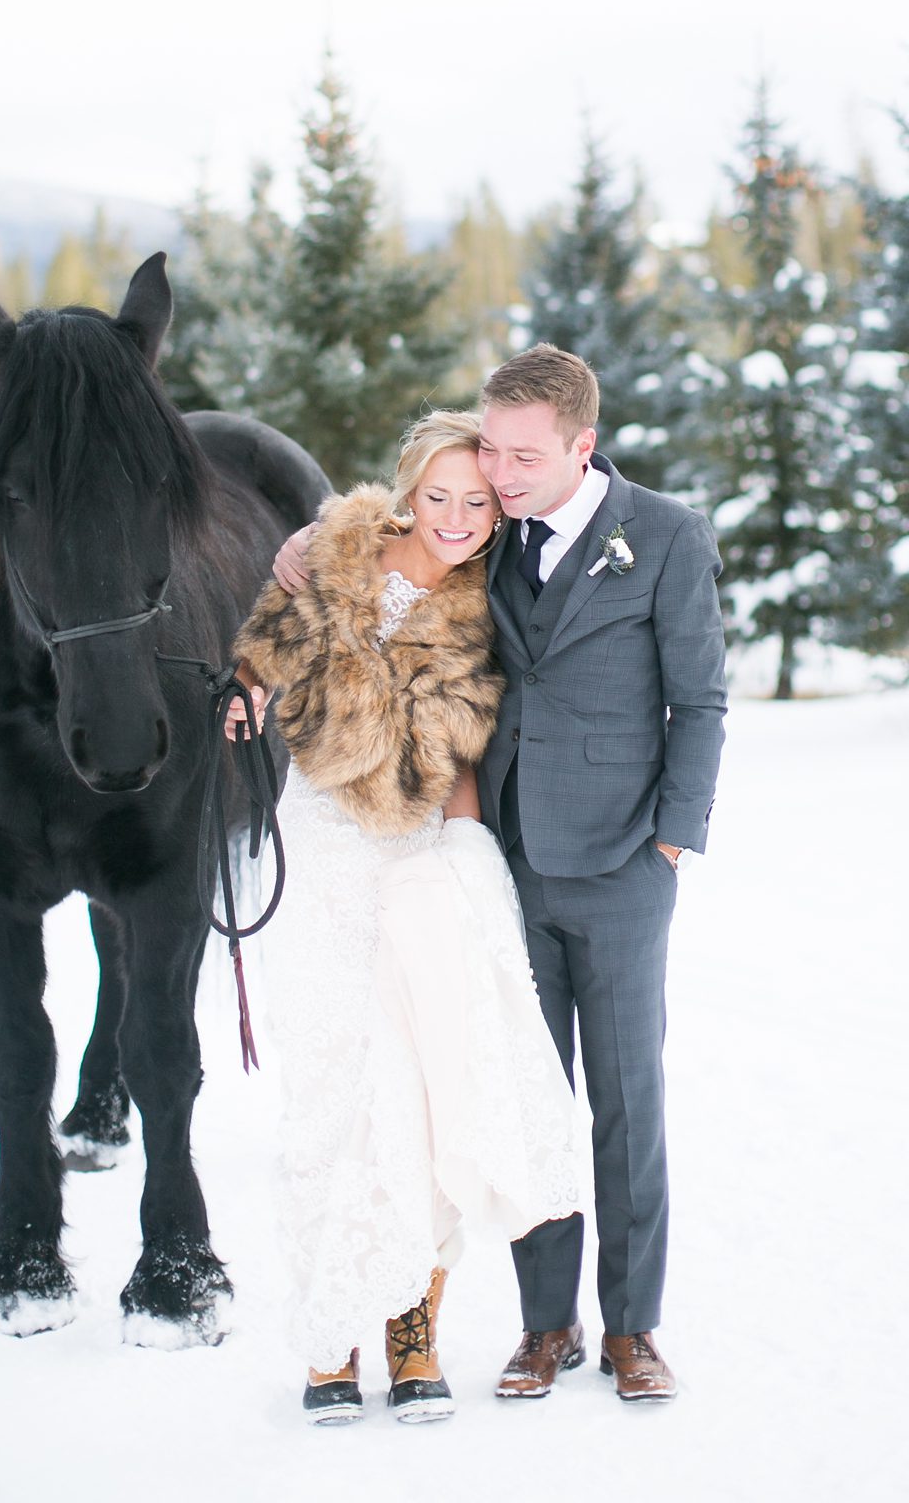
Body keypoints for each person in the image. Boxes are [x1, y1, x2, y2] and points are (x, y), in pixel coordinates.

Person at [272, 347, 727, 1405]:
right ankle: (544, 1326)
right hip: (506, 859)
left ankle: (634, 1330)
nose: (501, 473)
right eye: (493, 451)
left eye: (525, 456)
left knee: (627, 1102)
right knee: (523, 1093)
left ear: (583, 446)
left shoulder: (664, 535)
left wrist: (673, 838)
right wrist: (309, 542)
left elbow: (700, 700)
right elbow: (394, 536)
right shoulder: (487, 528)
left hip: (622, 861)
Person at [228, 411, 581, 1427]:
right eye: (438, 497)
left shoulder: (488, 604)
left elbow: (465, 759)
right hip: (320, 848)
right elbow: (261, 662)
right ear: (406, 493)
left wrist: (465, 859)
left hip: (416, 857)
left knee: (423, 1098)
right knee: (330, 1098)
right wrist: (244, 696)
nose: (458, 517)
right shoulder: (333, 563)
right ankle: (329, 1337)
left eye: (477, 501)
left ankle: (410, 1330)